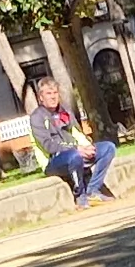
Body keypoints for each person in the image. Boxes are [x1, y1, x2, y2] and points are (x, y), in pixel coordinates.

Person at [27, 75, 118, 207]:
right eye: (48, 94)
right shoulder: (36, 117)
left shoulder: (65, 112)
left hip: (76, 152)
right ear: (41, 97)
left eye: (55, 93)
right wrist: (77, 149)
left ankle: (92, 190)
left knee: (108, 148)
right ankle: (80, 196)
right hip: (53, 161)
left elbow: (77, 133)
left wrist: (87, 147)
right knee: (74, 156)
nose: (53, 97)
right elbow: (48, 145)